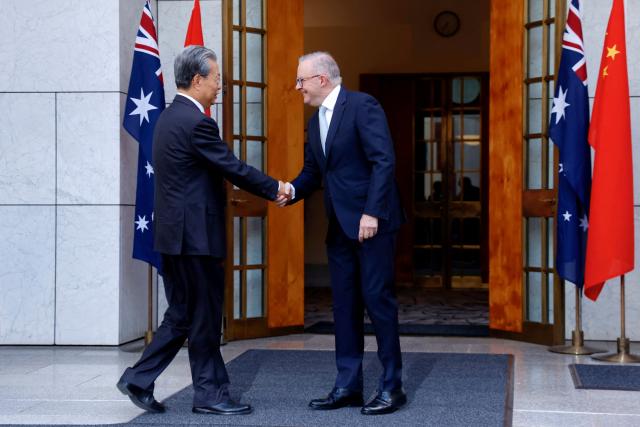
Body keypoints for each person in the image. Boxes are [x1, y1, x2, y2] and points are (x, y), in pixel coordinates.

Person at [117, 46, 291, 416]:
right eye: (216, 79)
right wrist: (277, 187)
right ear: (197, 80)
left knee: (181, 313)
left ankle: (138, 379)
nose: (220, 87)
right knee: (204, 317)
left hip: (174, 237)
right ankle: (210, 395)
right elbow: (232, 167)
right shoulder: (196, 122)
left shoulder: (166, 117)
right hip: (196, 239)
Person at [281, 52, 406, 415]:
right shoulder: (314, 120)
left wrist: (371, 213)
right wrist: (287, 190)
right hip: (339, 228)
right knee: (345, 307)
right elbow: (312, 174)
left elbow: (384, 160)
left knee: (378, 303)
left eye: (301, 80)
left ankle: (392, 387)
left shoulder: (363, 105)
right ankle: (348, 385)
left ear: (321, 79)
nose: (297, 87)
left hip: (373, 225)